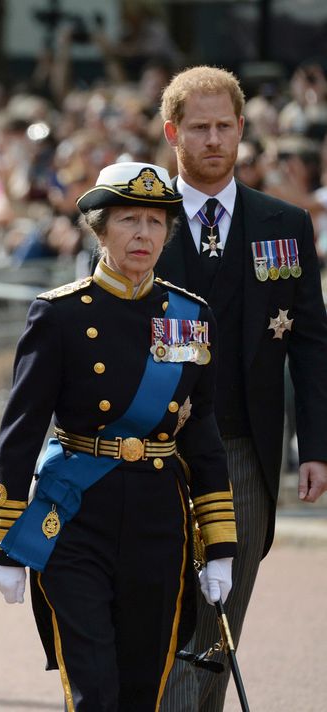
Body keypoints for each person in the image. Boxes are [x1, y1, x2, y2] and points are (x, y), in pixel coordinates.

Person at [0, 161, 237, 711]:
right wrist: (4, 543)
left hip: (158, 517)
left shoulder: (192, 318)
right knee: (95, 686)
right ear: (100, 230)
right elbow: (21, 429)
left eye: (155, 221)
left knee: (143, 685)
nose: (143, 234)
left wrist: (219, 544)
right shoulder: (59, 315)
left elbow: (202, 435)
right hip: (76, 514)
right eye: (128, 220)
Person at [155, 66, 327, 711]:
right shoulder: (140, 223)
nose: (213, 140)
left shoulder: (285, 224)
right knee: (160, 621)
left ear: (243, 129)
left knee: (221, 624)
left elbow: (311, 344)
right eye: (199, 128)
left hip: (244, 456)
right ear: (173, 133)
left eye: (225, 126)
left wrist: (315, 446)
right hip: (156, 456)